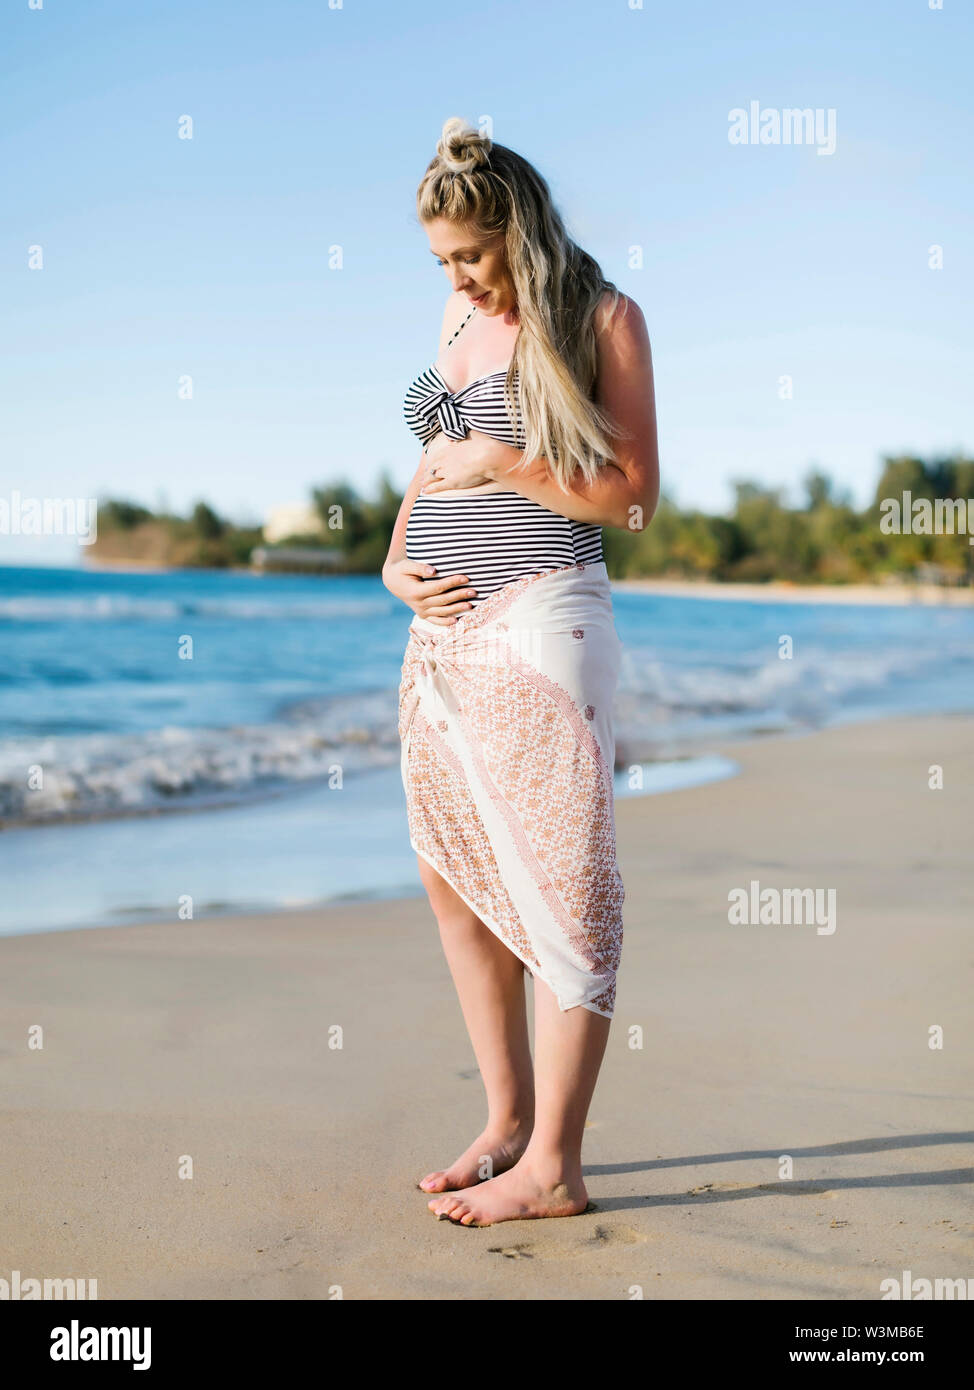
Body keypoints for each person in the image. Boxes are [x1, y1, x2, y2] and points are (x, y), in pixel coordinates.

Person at [382, 117, 659, 1227]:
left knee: (559, 890)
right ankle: (504, 1120)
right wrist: (398, 559)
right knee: (451, 878)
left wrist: (511, 463)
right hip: (437, 637)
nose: (455, 277)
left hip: (541, 622)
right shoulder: (458, 312)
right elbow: (430, 458)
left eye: (471, 255)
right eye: (441, 261)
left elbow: (633, 496)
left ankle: (555, 1163)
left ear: (520, 230)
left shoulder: (601, 317)